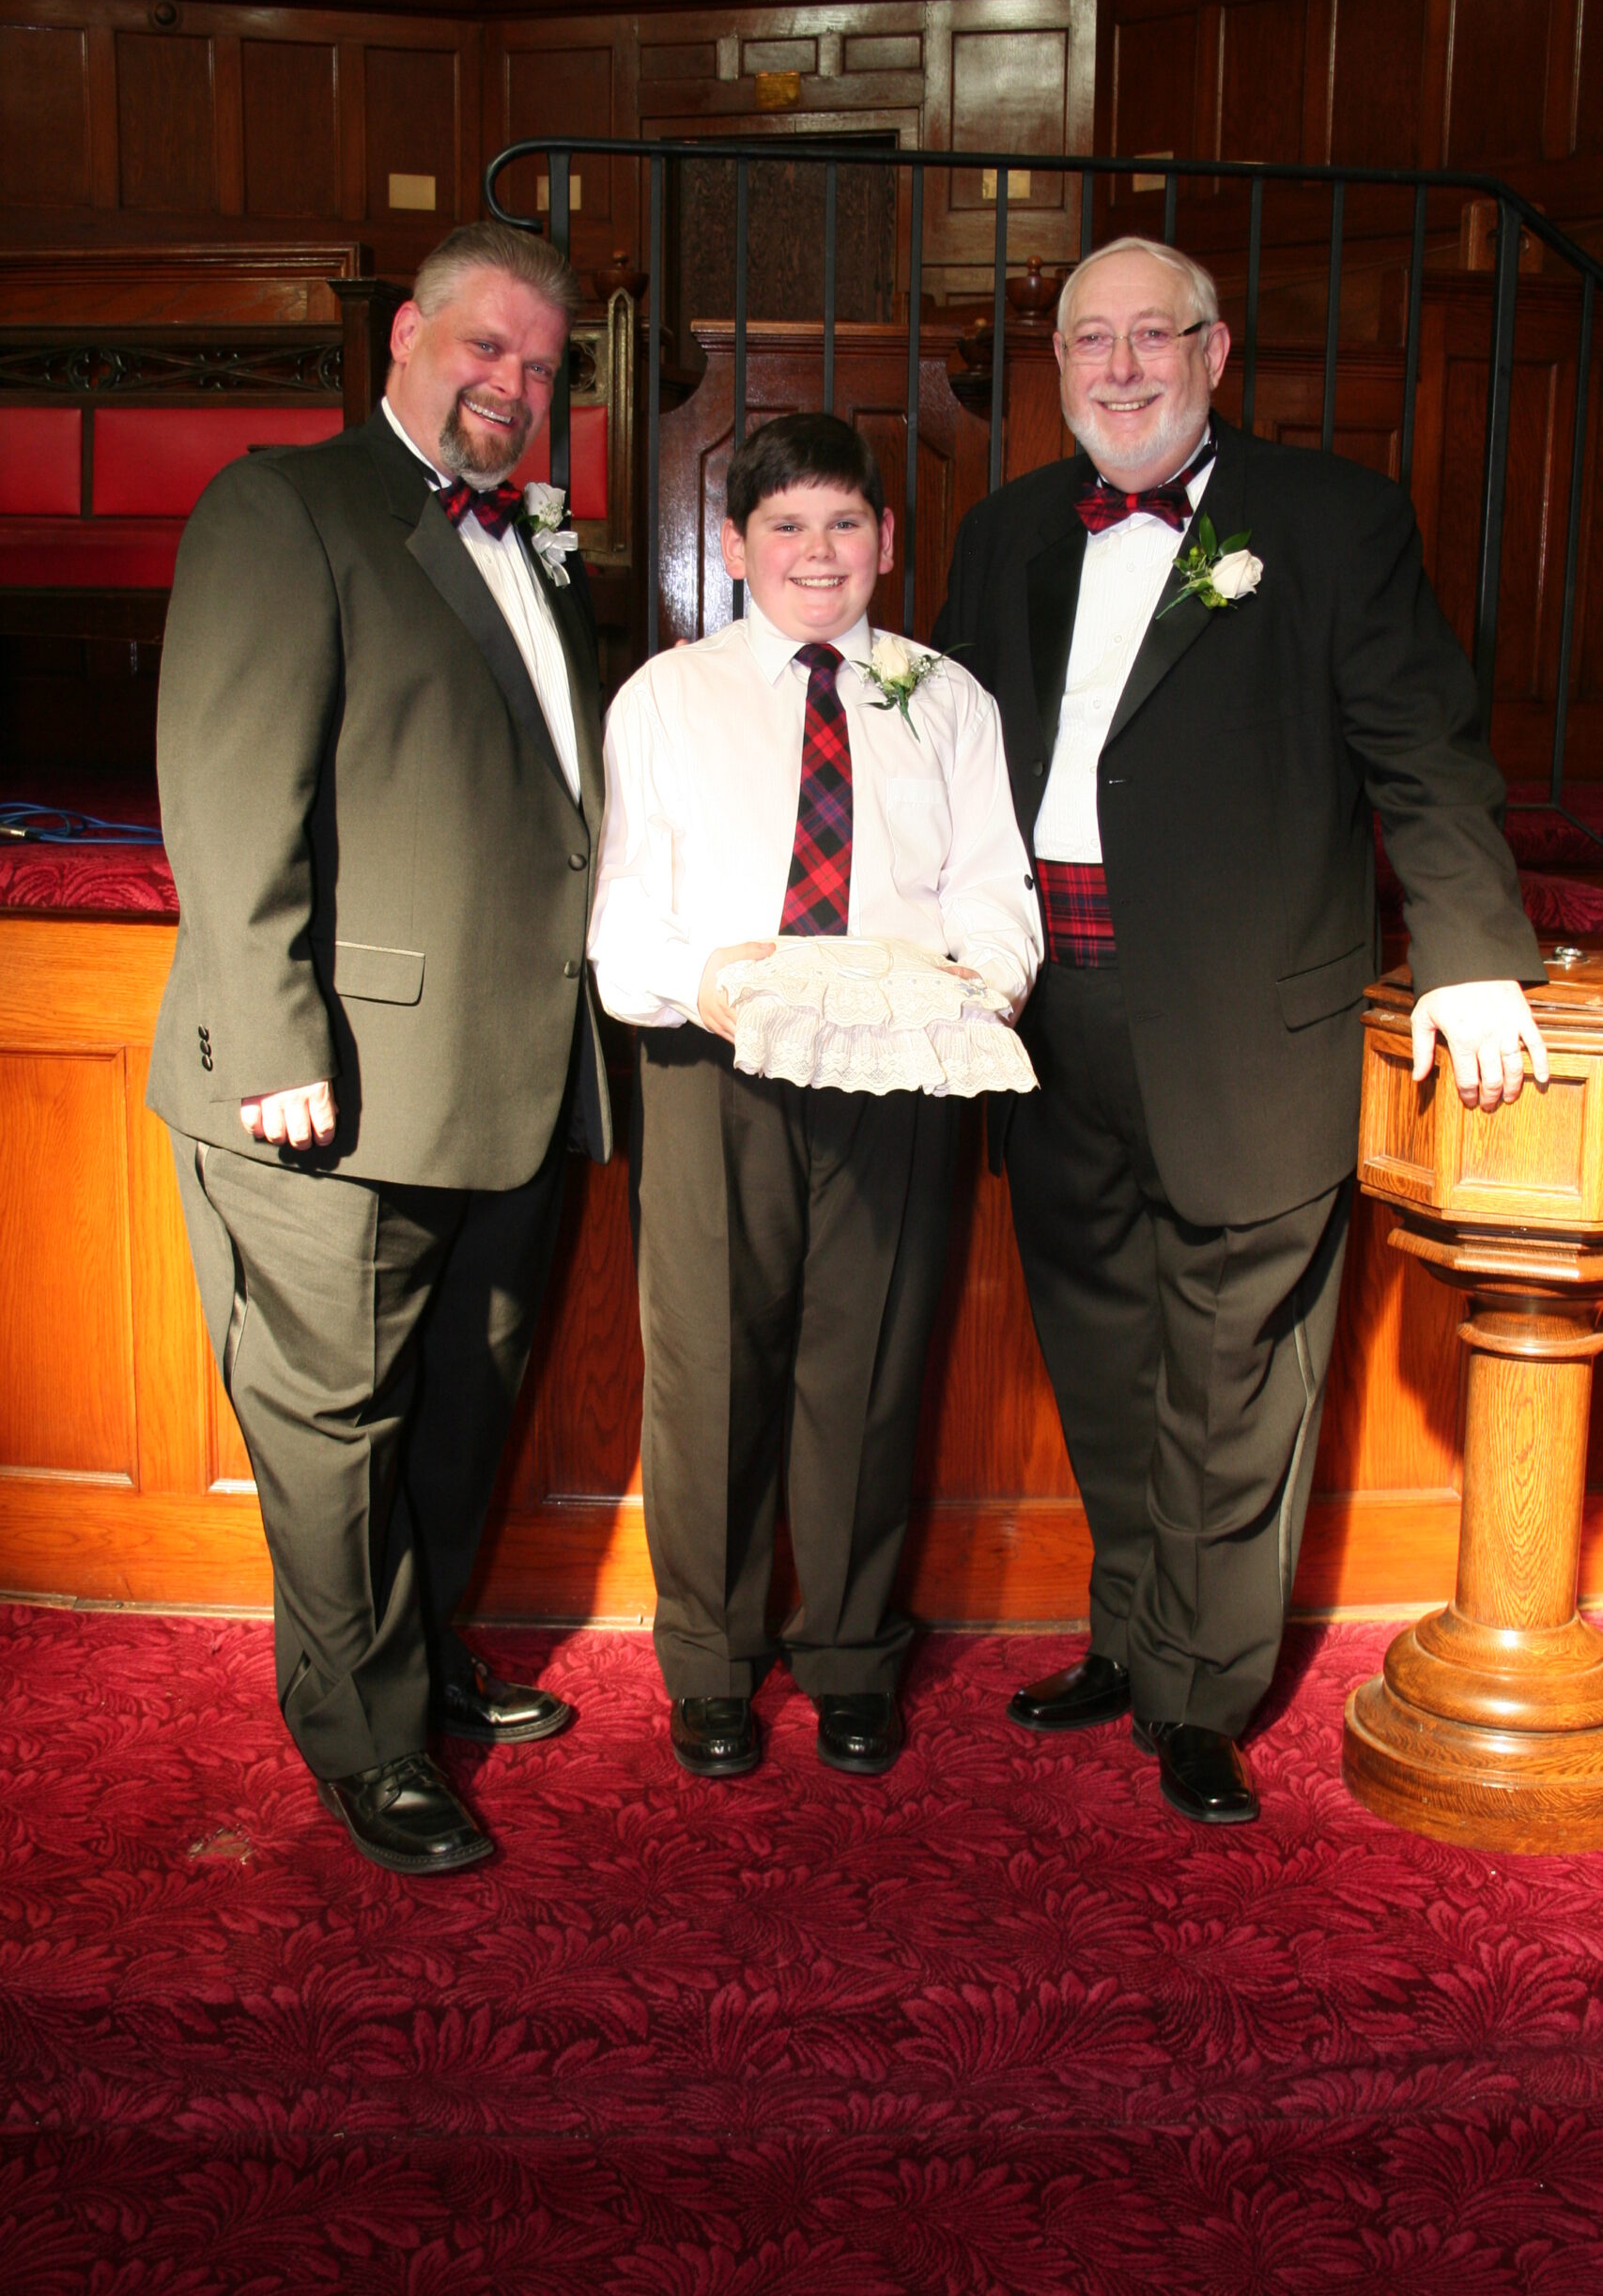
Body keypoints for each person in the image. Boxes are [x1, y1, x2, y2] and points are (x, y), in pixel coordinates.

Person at [934, 235, 1546, 1826]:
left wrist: (1473, 953)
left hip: (1245, 1023)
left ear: (1214, 354)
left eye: (1156, 336)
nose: (1122, 368)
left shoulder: (1331, 520)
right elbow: (943, 765)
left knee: (1232, 1372)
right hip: (1044, 1012)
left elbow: (1425, 749)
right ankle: (1129, 1635)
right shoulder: (1004, 533)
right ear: (1058, 367)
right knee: (1101, 1354)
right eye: (1092, 341)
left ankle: (1202, 1690)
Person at [147, 222, 610, 1875]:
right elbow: (227, 795)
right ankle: (363, 1739)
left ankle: (418, 1662)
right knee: (336, 1425)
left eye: (542, 368)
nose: (514, 386)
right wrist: (278, 1040)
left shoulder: (535, 541)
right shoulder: (286, 507)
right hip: (329, 1083)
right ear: (407, 334)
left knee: (460, 1406)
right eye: (488, 347)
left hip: (508, 1076)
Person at [589, 413, 1040, 1780]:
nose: (818, 552)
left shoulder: (947, 699)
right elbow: (626, 909)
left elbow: (991, 884)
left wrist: (984, 990)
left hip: (899, 1066)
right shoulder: (666, 698)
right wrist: (704, 984)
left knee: (870, 1361)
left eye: (845, 522)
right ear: (733, 548)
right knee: (710, 1368)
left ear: (888, 540)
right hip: (714, 1059)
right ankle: (712, 1661)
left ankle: (849, 1655)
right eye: (785, 525)